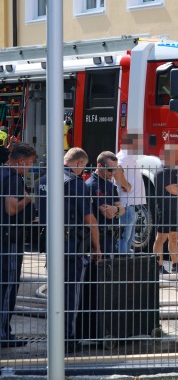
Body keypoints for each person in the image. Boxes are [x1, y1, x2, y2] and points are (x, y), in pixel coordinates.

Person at [38, 147, 102, 353]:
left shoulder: (44, 180)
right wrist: (97, 247)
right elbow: (89, 219)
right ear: (77, 163)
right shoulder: (76, 184)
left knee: (54, 292)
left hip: (51, 244)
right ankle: (67, 339)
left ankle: (53, 335)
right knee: (70, 295)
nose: (82, 171)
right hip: (72, 247)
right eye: (82, 167)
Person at [0, 143, 37, 348]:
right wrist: (28, 199)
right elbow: (12, 208)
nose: (30, 168)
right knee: (8, 287)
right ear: (21, 161)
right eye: (30, 164)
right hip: (9, 241)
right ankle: (3, 334)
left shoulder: (1, 173)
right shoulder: (13, 178)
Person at [153, 143, 178, 274]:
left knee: (174, 237)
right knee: (161, 238)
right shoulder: (160, 173)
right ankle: (157, 265)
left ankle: (176, 264)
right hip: (165, 209)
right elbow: (173, 190)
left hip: (177, 209)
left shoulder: (176, 171)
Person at [86, 151, 126, 257]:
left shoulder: (110, 184)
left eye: (115, 169)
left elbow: (122, 209)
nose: (113, 173)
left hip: (110, 235)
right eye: (110, 169)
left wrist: (116, 210)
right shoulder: (92, 185)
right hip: (98, 236)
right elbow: (106, 213)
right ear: (99, 166)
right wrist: (117, 210)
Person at [116, 133, 147, 254]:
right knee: (124, 237)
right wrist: (126, 185)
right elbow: (117, 170)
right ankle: (121, 264)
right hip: (127, 204)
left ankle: (125, 262)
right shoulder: (124, 157)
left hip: (130, 204)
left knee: (128, 237)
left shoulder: (129, 157)